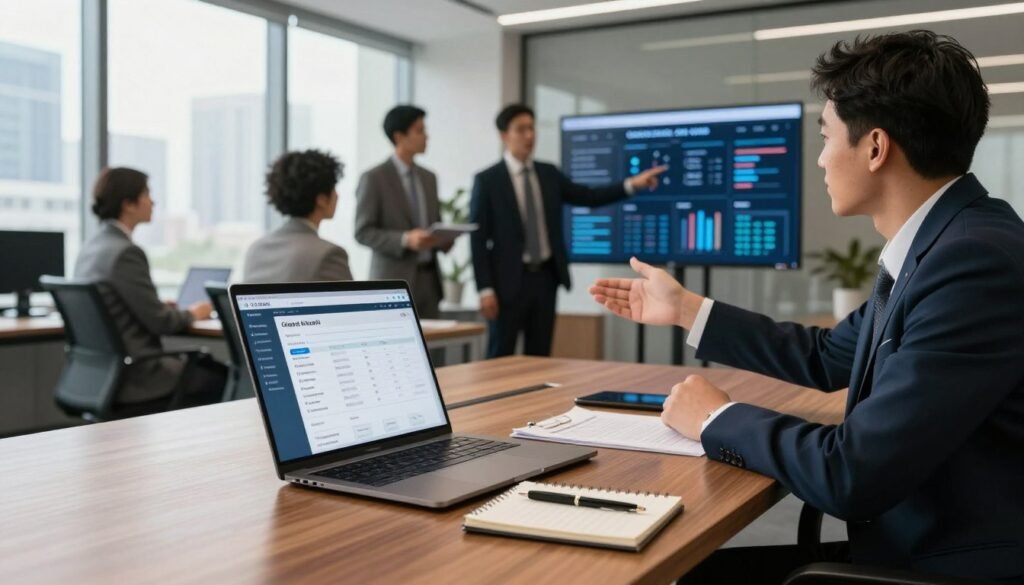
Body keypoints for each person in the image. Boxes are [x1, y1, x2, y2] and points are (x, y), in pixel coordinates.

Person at [591, 31, 1024, 584]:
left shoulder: (972, 264)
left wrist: (714, 418)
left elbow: (851, 473)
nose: (819, 160)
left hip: (944, 564)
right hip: (916, 542)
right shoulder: (946, 243)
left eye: (825, 137)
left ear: (874, 147)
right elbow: (828, 357)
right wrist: (686, 309)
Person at [470, 104, 665, 358]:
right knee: (500, 355)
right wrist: (484, 289)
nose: (530, 135)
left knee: (540, 356)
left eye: (532, 128)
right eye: (521, 129)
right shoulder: (487, 180)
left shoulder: (548, 173)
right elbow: (477, 237)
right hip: (506, 284)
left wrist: (631, 184)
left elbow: (589, 196)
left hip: (545, 279)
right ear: (504, 135)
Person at [75, 167, 226, 411]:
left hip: (100, 374)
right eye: (147, 194)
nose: (153, 201)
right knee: (228, 379)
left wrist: (156, 306)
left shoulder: (91, 247)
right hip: (139, 376)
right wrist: (194, 313)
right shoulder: (126, 252)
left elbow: (116, 308)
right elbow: (161, 323)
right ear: (129, 204)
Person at [355, 105, 448, 318]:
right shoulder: (374, 178)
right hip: (393, 282)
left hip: (430, 282)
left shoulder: (429, 178)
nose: (426, 136)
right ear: (399, 136)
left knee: (433, 349)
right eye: (419, 130)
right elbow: (362, 231)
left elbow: (435, 222)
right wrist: (405, 239)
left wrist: (444, 238)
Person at [243, 149, 353, 283]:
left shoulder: (256, 249)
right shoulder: (328, 254)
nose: (337, 195)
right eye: (334, 188)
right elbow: (349, 303)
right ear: (322, 200)